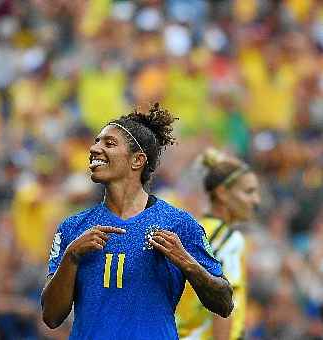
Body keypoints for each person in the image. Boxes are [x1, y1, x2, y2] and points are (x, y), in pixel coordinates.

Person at [41, 103, 234, 339]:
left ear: (137, 160)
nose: (94, 148)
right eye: (96, 141)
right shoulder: (73, 228)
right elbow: (51, 317)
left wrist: (186, 262)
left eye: (109, 143)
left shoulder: (178, 223)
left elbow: (224, 303)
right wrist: (71, 257)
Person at [176, 149, 260, 340]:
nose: (256, 200)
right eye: (249, 192)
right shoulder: (229, 240)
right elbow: (222, 306)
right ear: (222, 193)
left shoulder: (196, 231)